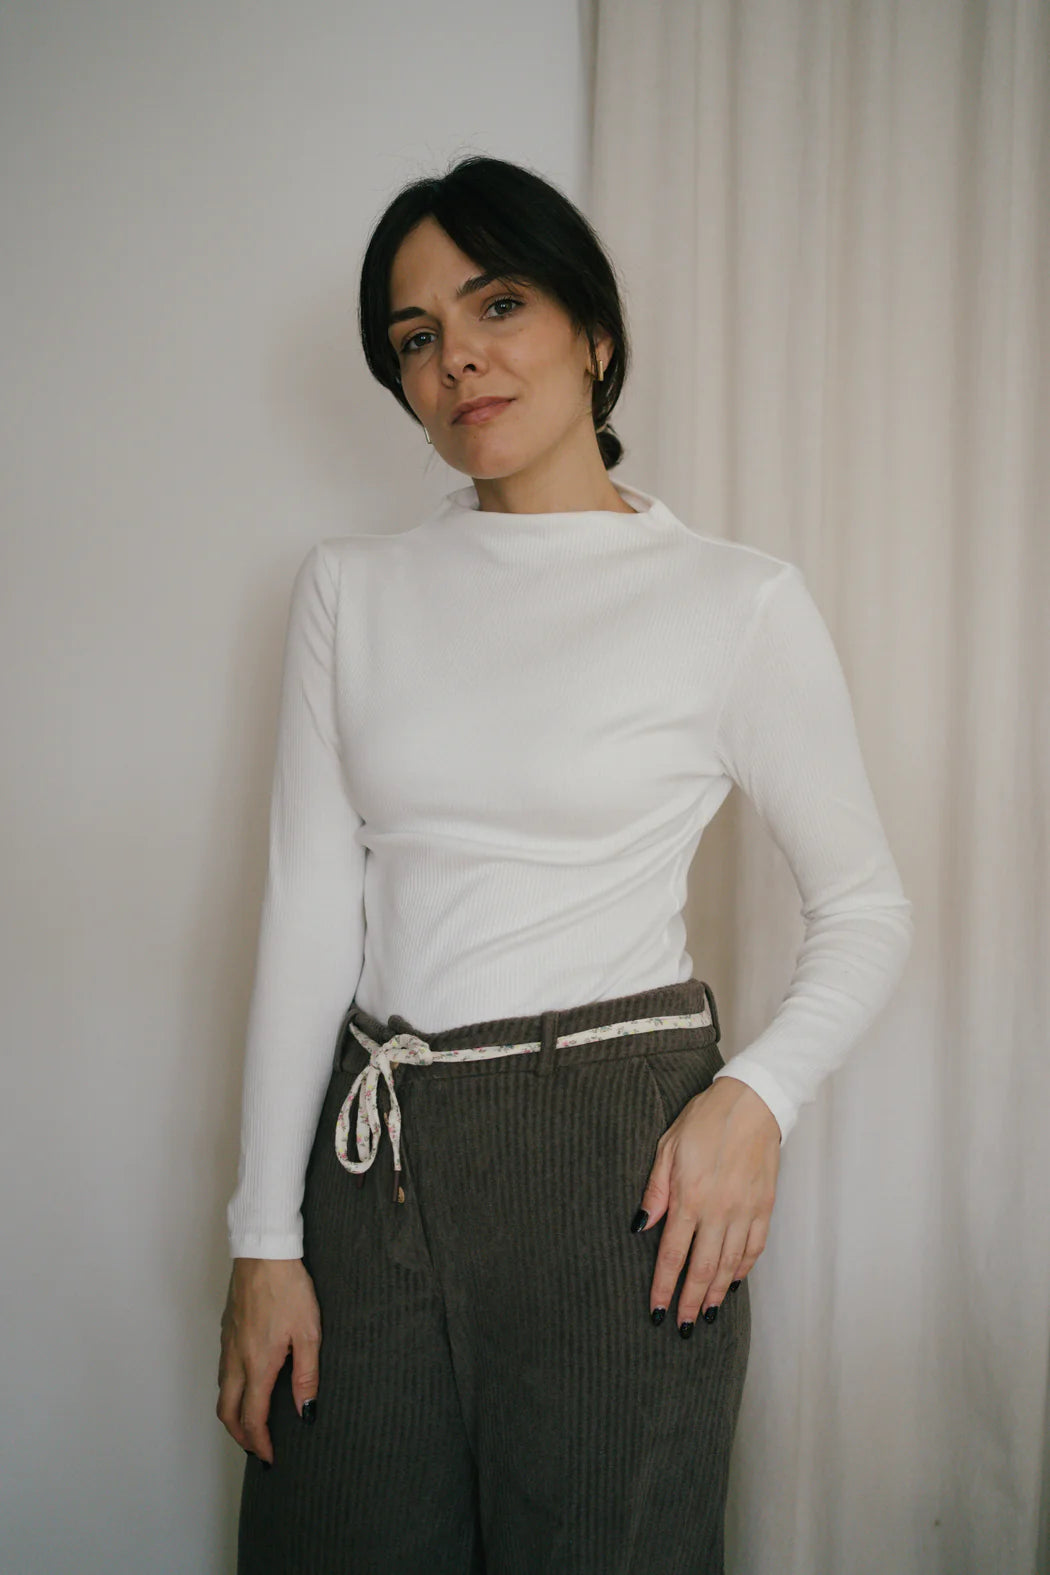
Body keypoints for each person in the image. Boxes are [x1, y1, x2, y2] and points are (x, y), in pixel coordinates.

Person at [217, 154, 913, 1574]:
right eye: (417, 337)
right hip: (375, 1147)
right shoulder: (351, 589)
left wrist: (756, 1098)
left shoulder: (732, 601)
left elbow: (865, 909)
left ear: (593, 333)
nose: (458, 358)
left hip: (612, 1161)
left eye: (499, 305)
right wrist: (264, 1239)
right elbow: (309, 910)